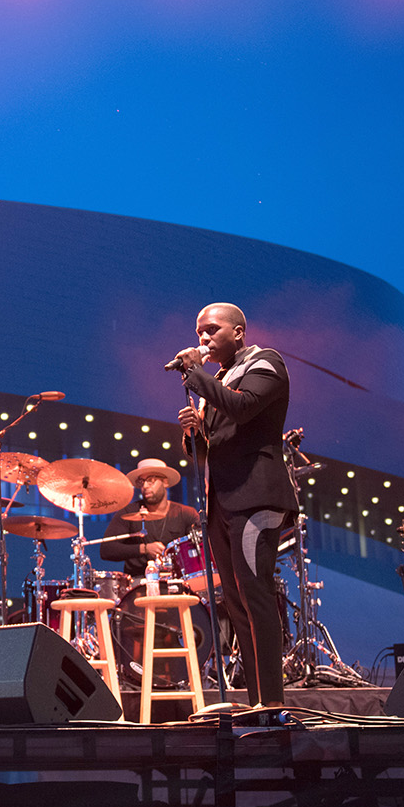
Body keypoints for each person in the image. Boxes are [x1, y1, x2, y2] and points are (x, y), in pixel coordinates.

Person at [173, 302, 294, 708]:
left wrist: (196, 374)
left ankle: (273, 705)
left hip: (255, 496)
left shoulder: (265, 362)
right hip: (221, 501)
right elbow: (211, 452)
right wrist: (195, 435)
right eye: (198, 333)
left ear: (238, 332)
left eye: (211, 330)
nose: (202, 339)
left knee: (255, 592)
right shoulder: (219, 382)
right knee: (237, 601)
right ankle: (258, 702)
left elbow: (243, 407)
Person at [100, 458, 200, 577]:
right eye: (142, 482)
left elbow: (201, 547)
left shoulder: (186, 513)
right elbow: (106, 549)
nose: (145, 486)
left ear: (165, 482)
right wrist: (144, 549)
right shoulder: (128, 512)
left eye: (151, 481)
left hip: (177, 581)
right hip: (139, 582)